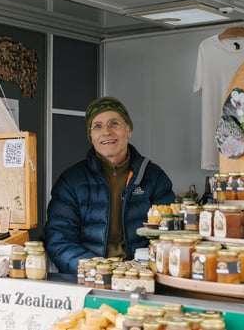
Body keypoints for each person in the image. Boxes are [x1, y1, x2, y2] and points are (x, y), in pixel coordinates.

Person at [44, 96, 175, 274]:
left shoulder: (153, 176)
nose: (106, 131)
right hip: (90, 278)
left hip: (142, 276)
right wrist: (99, 271)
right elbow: (60, 241)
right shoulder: (71, 181)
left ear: (129, 130)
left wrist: (143, 268)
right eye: (97, 126)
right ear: (91, 136)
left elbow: (169, 234)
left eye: (114, 123)